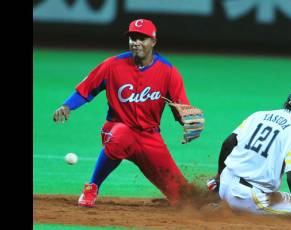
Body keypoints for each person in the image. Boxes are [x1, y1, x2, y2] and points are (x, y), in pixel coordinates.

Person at [53, 18, 204, 207]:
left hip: (151, 139)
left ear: (153, 42)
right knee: (121, 136)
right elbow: (86, 89)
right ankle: (92, 187)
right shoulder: (112, 65)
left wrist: (188, 121)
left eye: (142, 38)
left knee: (184, 198)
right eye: (133, 37)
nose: (136, 42)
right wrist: (67, 106)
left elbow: (180, 107)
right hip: (116, 129)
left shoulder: (168, 71)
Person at [206, 83, 291, 224]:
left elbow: (228, 144)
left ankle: (220, 197)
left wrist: (219, 177)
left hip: (224, 183)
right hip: (245, 197)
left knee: (272, 194)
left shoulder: (258, 115)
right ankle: (230, 210)